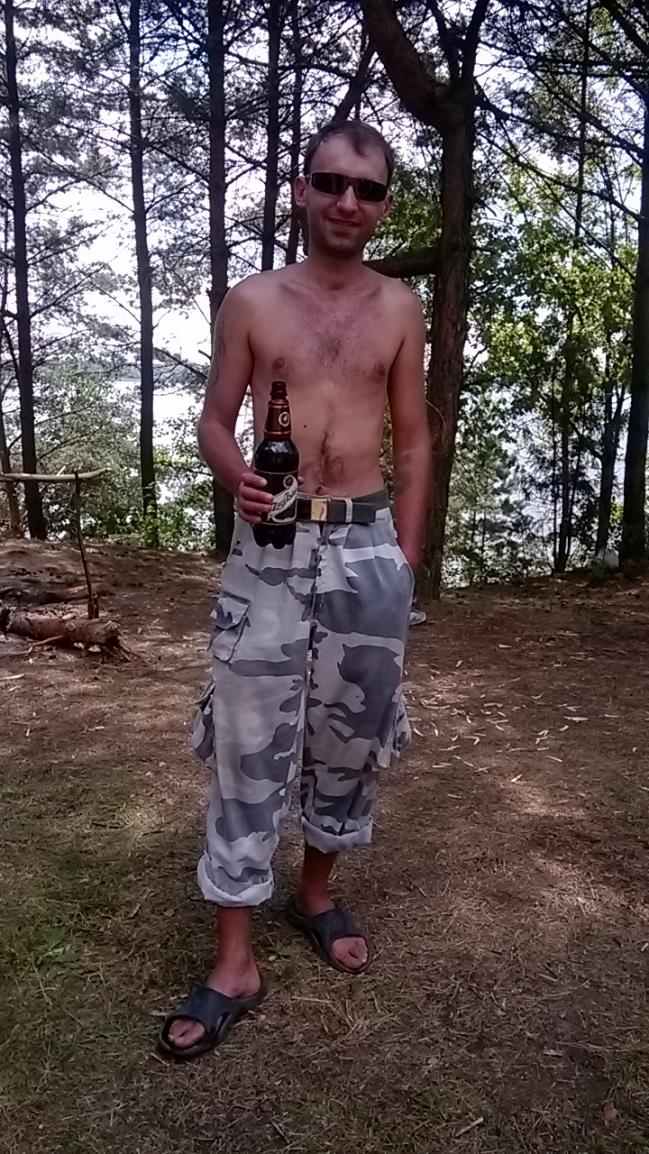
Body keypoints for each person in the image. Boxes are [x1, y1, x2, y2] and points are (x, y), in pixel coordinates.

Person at [160, 120, 432, 1060]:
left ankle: (314, 893)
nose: (347, 201)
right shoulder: (252, 301)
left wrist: (402, 557)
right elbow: (213, 419)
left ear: (384, 204)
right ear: (302, 190)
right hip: (268, 546)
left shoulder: (399, 307)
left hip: (365, 546)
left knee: (350, 734)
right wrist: (233, 472)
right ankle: (234, 959)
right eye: (330, 182)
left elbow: (413, 440)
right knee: (247, 739)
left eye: (368, 188)